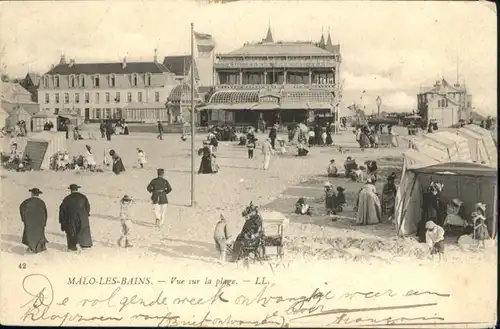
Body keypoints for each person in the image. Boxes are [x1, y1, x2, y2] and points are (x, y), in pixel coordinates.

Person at [59, 184, 92, 251]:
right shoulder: (83, 197)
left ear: (70, 190)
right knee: (83, 231)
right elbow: (87, 207)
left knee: (71, 231)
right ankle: (84, 245)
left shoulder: (67, 198)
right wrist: (85, 215)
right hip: (82, 217)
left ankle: (72, 246)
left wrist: (62, 221)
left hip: (71, 218)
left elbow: (62, 210)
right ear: (77, 189)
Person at [19, 188, 48, 254]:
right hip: (40, 222)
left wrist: (24, 218)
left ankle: (31, 248)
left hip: (29, 222)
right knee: (39, 234)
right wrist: (44, 222)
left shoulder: (27, 201)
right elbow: (45, 213)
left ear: (32, 193)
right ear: (38, 194)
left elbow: (21, 208)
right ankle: (39, 248)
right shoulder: (41, 202)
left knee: (30, 234)